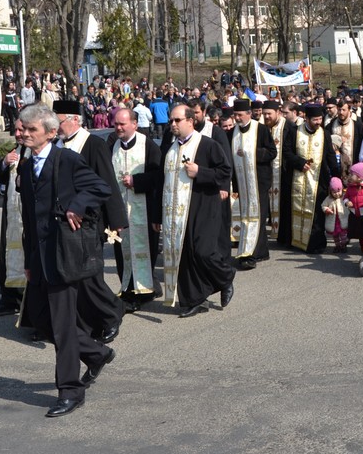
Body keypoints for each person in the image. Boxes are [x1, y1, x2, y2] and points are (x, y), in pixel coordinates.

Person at [17, 104, 115, 418]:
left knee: (62, 327)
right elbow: (30, 218)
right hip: (39, 257)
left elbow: (101, 187)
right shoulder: (25, 164)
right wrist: (29, 258)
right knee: (40, 320)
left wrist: (77, 205)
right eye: (23, 128)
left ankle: (70, 391)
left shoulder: (67, 160)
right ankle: (97, 353)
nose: (25, 134)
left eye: (32, 130)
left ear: (50, 132)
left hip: (63, 257)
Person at [55, 100, 126, 346]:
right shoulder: (57, 144)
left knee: (90, 276)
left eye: (60, 121)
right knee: (75, 275)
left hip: (89, 221)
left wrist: (116, 220)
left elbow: (107, 182)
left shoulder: (93, 144)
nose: (57, 126)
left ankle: (112, 314)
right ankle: (88, 322)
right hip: (64, 223)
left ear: (75, 119)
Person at [161, 104, 235, 318]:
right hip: (175, 211)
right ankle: (195, 299)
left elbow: (224, 171)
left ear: (190, 121)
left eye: (177, 120)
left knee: (203, 251)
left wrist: (200, 172)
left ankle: (226, 276)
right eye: (171, 121)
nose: (172, 124)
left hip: (203, 206)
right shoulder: (170, 146)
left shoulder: (207, 144)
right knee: (185, 254)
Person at [107, 108, 163, 313]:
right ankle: (128, 289)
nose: (118, 128)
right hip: (120, 209)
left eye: (122, 124)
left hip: (144, 209)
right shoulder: (112, 145)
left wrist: (136, 181)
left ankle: (144, 291)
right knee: (122, 252)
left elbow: (159, 176)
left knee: (144, 250)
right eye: (116, 124)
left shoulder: (148, 145)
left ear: (134, 124)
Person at [227, 99, 276, 269]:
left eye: (240, 115)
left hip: (259, 181)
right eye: (235, 115)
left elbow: (272, 152)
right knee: (246, 217)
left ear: (249, 114)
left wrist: (252, 152)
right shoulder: (232, 132)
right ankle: (260, 251)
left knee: (258, 218)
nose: (237, 118)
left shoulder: (260, 129)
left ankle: (251, 253)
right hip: (242, 182)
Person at [283, 105, 338, 253]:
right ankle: (295, 241)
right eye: (315, 119)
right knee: (295, 210)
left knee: (316, 214)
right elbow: (286, 152)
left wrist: (338, 176)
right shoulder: (295, 132)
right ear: (306, 118)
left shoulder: (324, 134)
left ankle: (314, 244)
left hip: (317, 180)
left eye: (320, 119)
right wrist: (300, 163)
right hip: (297, 178)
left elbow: (331, 156)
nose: (318, 122)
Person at [0, 123, 27, 316]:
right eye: (16, 130)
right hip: (12, 213)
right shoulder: (15, 151)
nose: (18, 134)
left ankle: (23, 299)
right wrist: (4, 162)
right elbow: (0, 177)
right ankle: (9, 298)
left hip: (27, 215)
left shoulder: (36, 152)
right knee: (8, 253)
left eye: (21, 130)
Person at [260, 101, 290, 244]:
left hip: (283, 172)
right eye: (264, 114)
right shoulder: (261, 128)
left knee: (284, 205)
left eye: (269, 114)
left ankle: (283, 236)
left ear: (278, 112)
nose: (266, 117)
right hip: (265, 173)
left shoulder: (288, 127)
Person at [321, 177, 350, 252]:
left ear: (341, 189)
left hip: (342, 219)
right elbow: (323, 205)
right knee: (335, 235)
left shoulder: (344, 197)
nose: (337, 194)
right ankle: (337, 246)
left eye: (338, 191)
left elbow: (348, 204)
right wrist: (327, 210)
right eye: (334, 192)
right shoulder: (328, 199)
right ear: (330, 191)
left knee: (343, 234)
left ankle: (343, 245)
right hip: (333, 220)